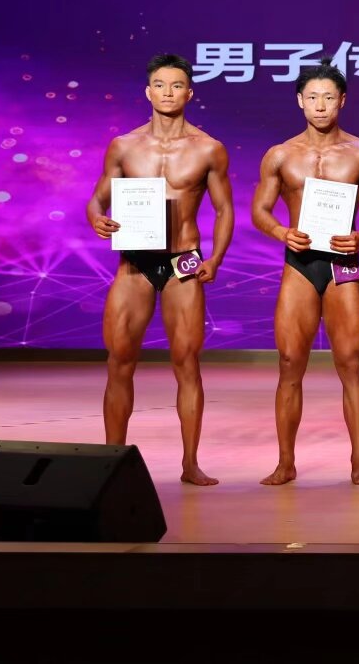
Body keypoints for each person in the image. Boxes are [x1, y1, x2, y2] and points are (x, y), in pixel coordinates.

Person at [86, 53, 233, 486]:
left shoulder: (208, 148)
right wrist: (96, 218)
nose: (168, 93)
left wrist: (215, 259)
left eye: (177, 85)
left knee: (187, 361)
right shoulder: (124, 146)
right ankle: (112, 461)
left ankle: (190, 464)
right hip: (134, 261)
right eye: (161, 85)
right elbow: (98, 198)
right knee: (119, 359)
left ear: (189, 93)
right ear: (148, 92)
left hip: (182, 262)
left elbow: (224, 210)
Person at [252, 61, 359, 485]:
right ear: (300, 100)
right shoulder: (280, 154)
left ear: (342, 101)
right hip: (299, 263)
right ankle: (285, 462)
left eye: (328, 97)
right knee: (289, 362)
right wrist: (281, 231)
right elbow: (260, 210)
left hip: (341, 262)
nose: (320, 105)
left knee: (349, 362)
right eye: (312, 97)